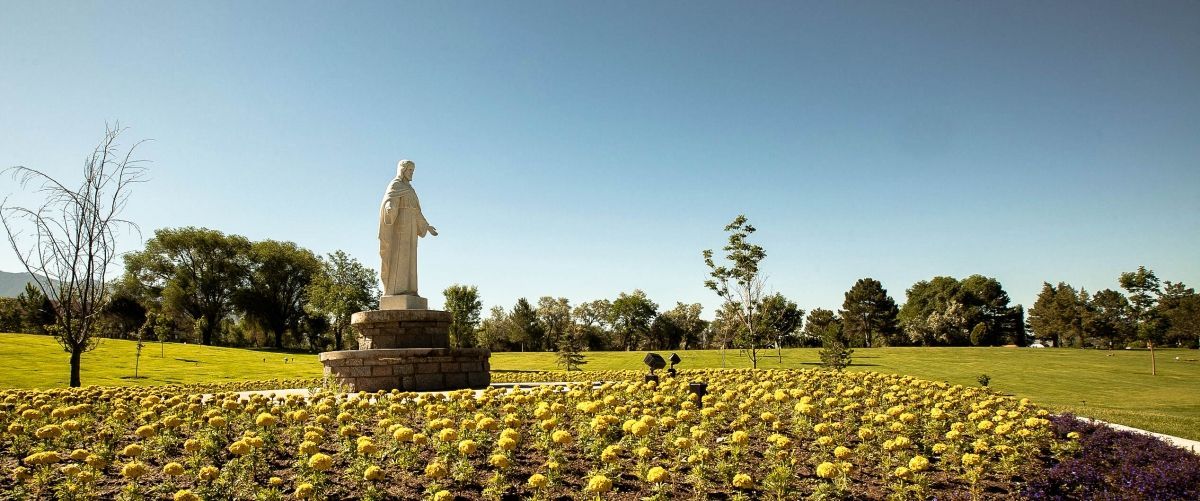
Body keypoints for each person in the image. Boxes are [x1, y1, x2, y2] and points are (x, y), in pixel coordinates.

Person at [378, 160, 437, 296]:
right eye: (410, 170)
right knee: (400, 256)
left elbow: (416, 211)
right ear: (403, 170)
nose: (412, 173)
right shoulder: (395, 185)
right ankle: (396, 290)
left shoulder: (410, 189)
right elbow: (389, 201)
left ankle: (410, 290)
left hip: (411, 227)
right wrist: (389, 208)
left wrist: (426, 226)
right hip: (401, 226)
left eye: (413, 171)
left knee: (410, 258)